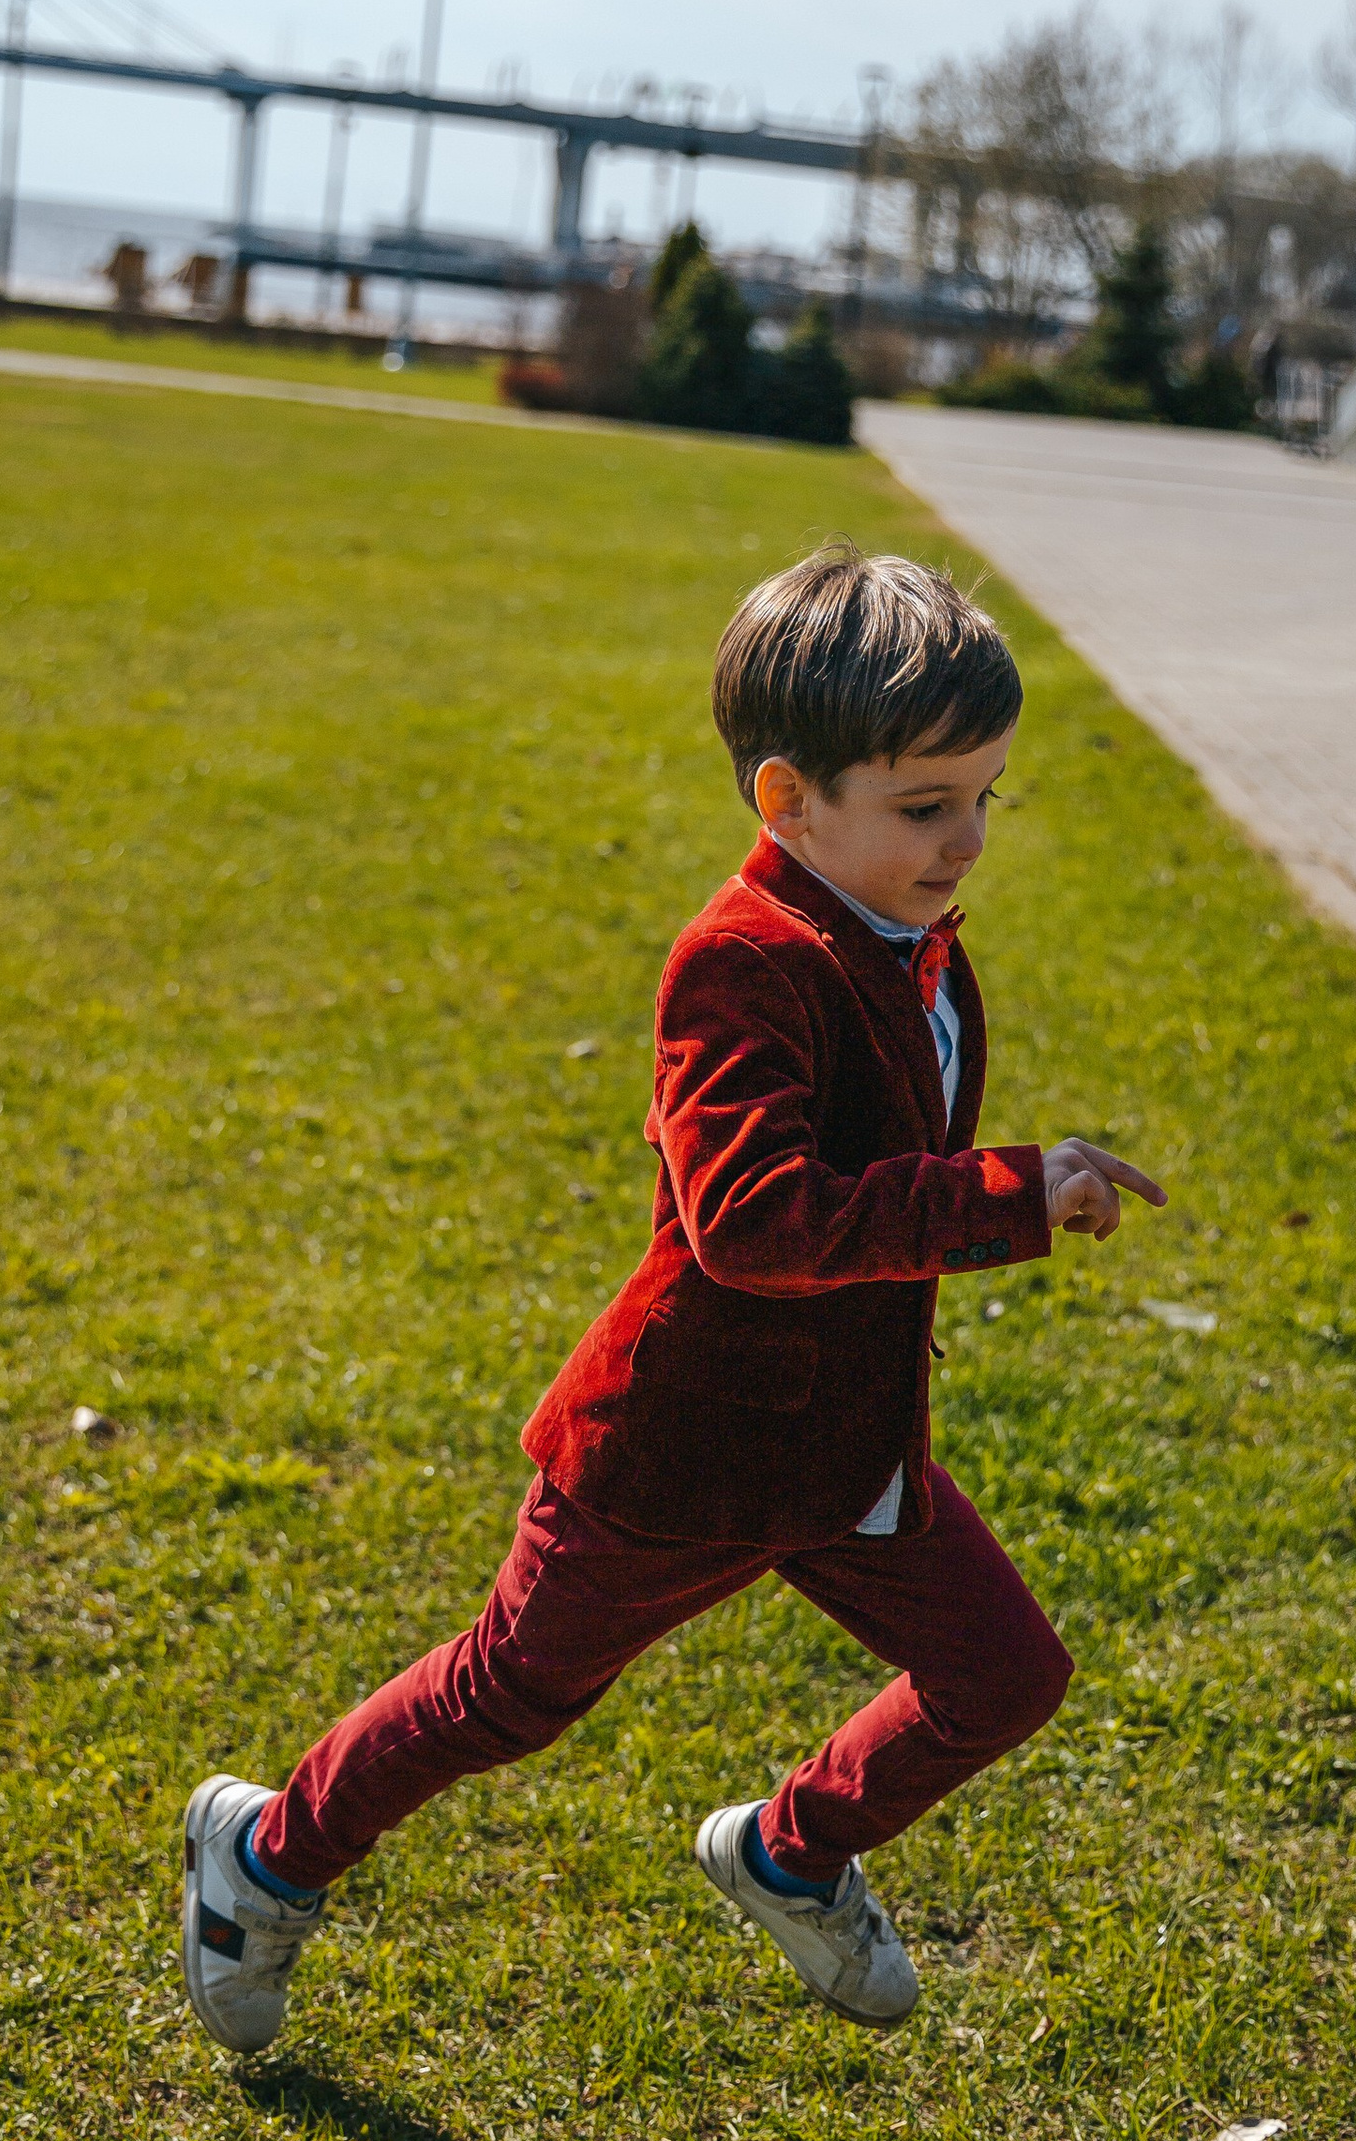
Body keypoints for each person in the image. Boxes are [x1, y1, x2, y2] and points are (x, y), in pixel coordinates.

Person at [181, 543, 1165, 2051]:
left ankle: (789, 1850)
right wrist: (1005, 1198)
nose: (968, 838)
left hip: (844, 1453)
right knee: (508, 1696)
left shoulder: (912, 942)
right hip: (681, 1448)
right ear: (786, 799)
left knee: (1003, 1675)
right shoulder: (741, 963)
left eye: (986, 796)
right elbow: (753, 1224)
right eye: (925, 806)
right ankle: (261, 1860)